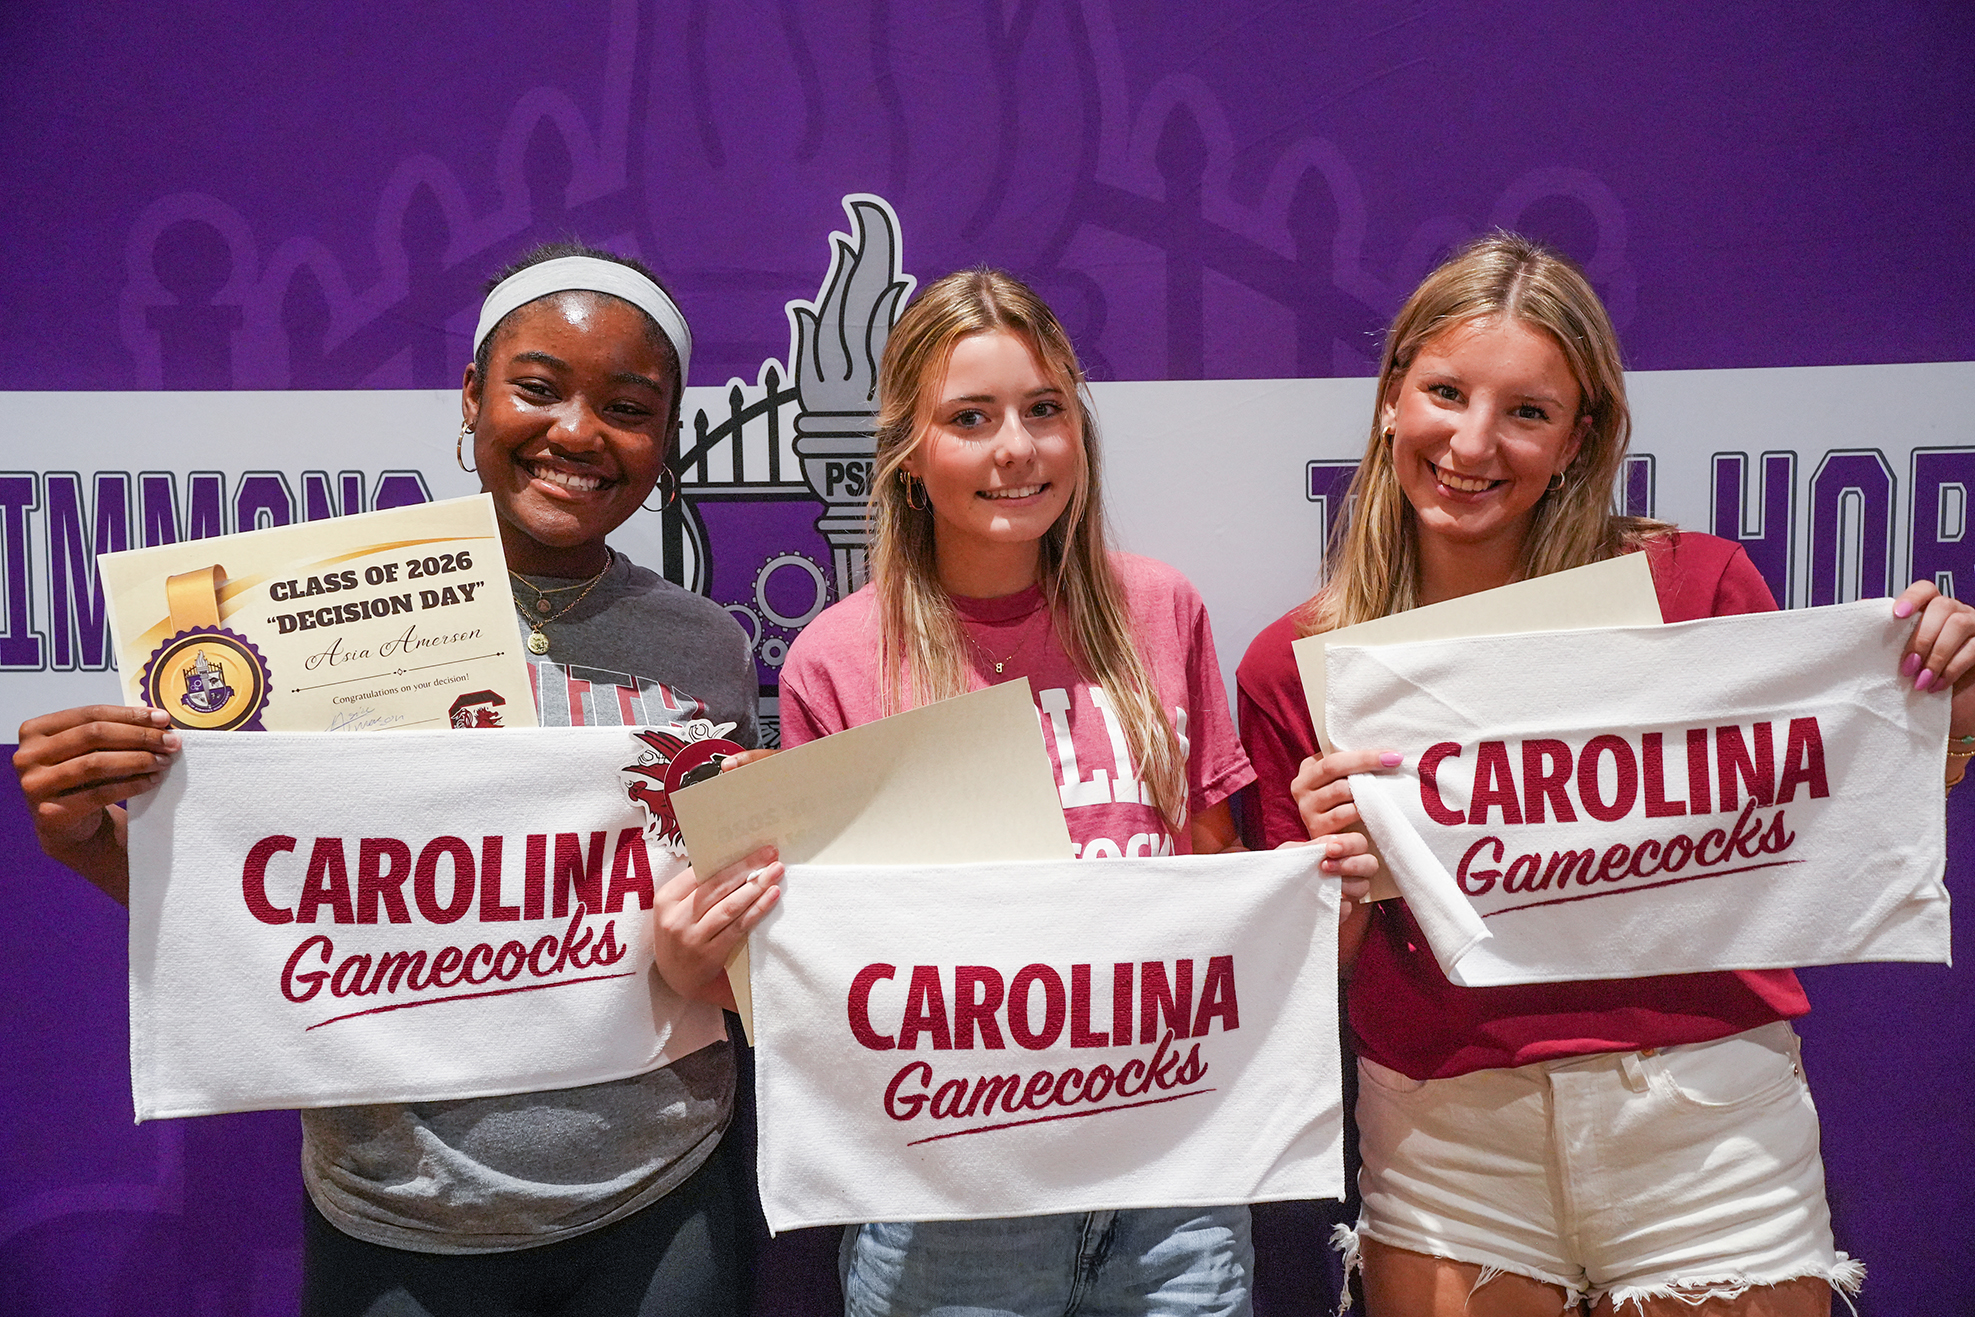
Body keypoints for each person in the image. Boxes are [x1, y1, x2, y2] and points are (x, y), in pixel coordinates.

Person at [13, 242, 760, 1317]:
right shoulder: (310, 620)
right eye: (537, 389)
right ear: (471, 398)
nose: (577, 433)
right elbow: (257, 917)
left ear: (665, 438)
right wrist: (86, 842)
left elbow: (727, 918)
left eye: (628, 406)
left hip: (663, 1190)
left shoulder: (703, 647)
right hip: (398, 1210)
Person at [1235, 231, 1975, 1316]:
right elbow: (1300, 989)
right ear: (1392, 397)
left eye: (1527, 411)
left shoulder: (1699, 588)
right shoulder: (1295, 664)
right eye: (1445, 391)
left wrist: (1941, 718)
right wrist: (1325, 881)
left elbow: (1809, 833)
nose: (1473, 442)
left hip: (1708, 1113)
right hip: (1448, 1131)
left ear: (1581, 436)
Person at [650, 268, 1259, 1316]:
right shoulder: (838, 658)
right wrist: (705, 945)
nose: (1015, 449)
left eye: (1043, 410)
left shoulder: (1161, 609)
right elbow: (822, 955)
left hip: (1170, 1180)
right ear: (908, 454)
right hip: (946, 1191)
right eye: (969, 419)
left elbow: (1217, 874)